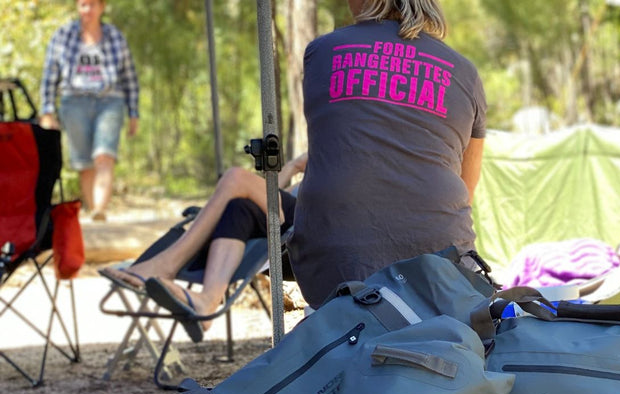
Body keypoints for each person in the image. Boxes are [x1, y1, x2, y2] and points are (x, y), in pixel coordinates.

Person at [290, 0, 487, 309]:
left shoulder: (323, 52)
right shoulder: (465, 72)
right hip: (441, 268)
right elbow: (467, 187)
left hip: (334, 264)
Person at [99, 153, 307, 341]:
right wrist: (293, 167)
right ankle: (207, 301)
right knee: (238, 209)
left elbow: (279, 203)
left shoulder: (333, 149)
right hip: (290, 218)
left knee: (235, 177)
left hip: (311, 229)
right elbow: (274, 197)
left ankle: (166, 265)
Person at [40, 0, 140, 222]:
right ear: (77, 7)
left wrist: (134, 112)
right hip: (73, 102)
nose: (88, 10)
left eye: (93, 4)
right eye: (84, 4)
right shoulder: (63, 36)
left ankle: (99, 210)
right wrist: (47, 111)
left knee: (104, 155)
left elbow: (129, 76)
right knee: (84, 162)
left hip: (109, 100)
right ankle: (95, 210)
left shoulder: (114, 37)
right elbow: (50, 74)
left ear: (102, 7)